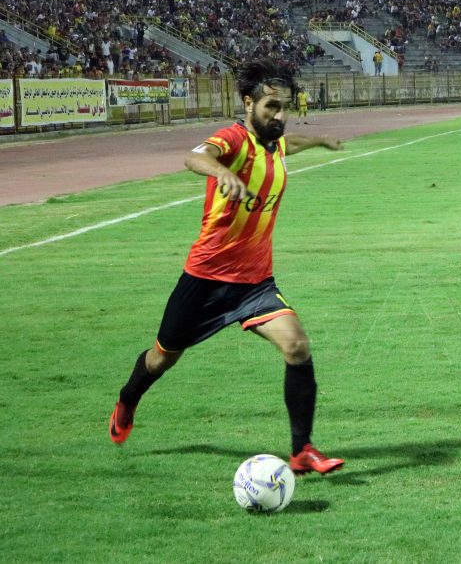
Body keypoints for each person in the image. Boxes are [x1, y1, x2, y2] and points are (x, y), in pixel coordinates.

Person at [108, 59, 347, 474]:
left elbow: (290, 143)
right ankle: (128, 398)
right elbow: (195, 156)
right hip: (204, 281)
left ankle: (302, 451)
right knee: (161, 358)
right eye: (272, 107)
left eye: (285, 107)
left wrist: (320, 140)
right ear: (248, 103)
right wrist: (222, 173)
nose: (280, 116)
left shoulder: (273, 144)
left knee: (297, 346)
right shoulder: (234, 139)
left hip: (255, 283)